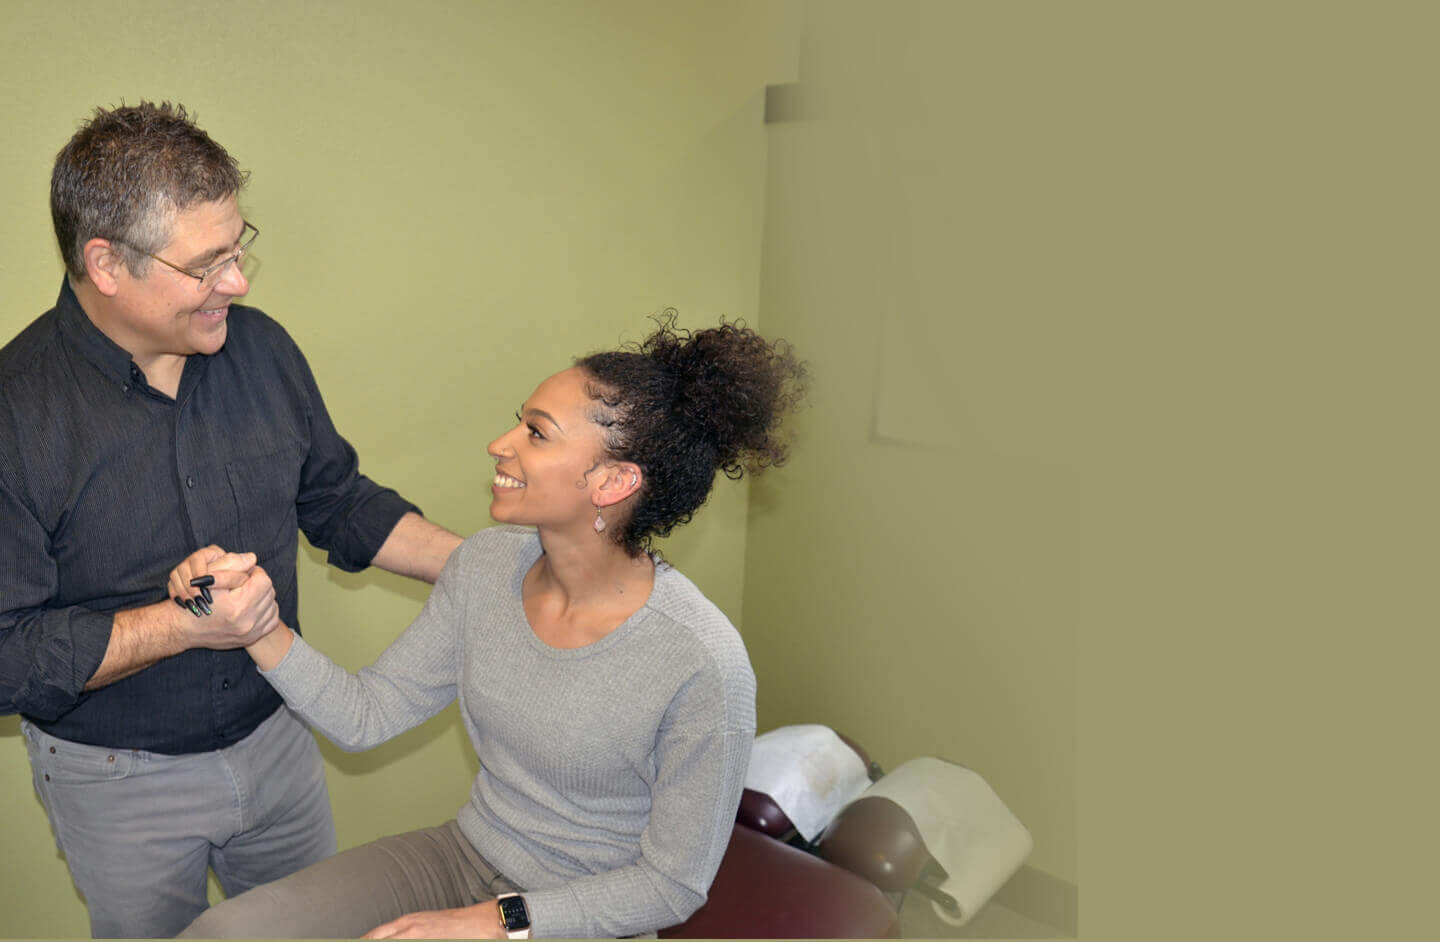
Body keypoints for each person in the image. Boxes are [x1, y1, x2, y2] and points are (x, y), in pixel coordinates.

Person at [170, 317, 806, 939]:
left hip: (584, 912)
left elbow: (672, 886)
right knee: (226, 931)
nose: (501, 444)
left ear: (613, 482)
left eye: (537, 433)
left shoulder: (700, 661)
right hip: (464, 857)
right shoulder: (487, 564)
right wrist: (255, 622)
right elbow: (366, 715)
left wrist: (496, 922)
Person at [0, 101, 464, 938]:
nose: (239, 283)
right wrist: (182, 626)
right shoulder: (14, 414)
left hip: (278, 741)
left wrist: (485, 565)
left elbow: (338, 501)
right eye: (207, 264)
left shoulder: (261, 350)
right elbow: (6, 654)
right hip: (116, 781)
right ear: (106, 263)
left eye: (239, 247)